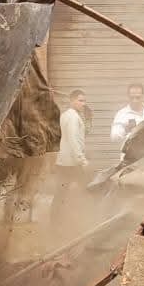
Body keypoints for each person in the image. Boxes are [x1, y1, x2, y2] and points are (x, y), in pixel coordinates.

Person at [52, 88, 90, 227]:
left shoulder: (66, 115)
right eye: (80, 100)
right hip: (71, 163)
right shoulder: (73, 117)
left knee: (61, 193)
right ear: (72, 101)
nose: (83, 104)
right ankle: (84, 219)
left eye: (84, 101)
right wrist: (82, 160)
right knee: (86, 189)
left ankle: (56, 222)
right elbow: (73, 139)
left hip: (65, 161)